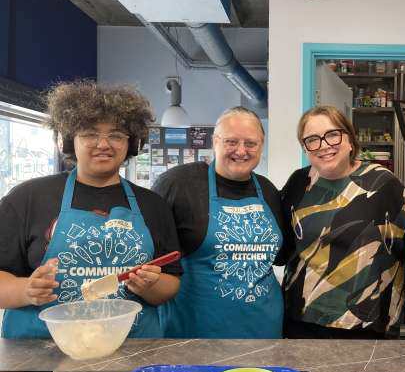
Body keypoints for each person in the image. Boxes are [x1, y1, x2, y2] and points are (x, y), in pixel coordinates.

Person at [0, 81, 181, 339]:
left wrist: (150, 286)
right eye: (90, 133)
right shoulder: (27, 197)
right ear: (69, 141)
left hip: (129, 352)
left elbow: (171, 283)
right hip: (42, 354)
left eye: (116, 135)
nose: (103, 144)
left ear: (132, 144)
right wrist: (24, 289)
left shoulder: (152, 205)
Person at [153, 107, 287, 338]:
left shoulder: (268, 190)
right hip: (195, 335)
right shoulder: (178, 184)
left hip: (265, 329)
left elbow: (282, 255)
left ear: (262, 145)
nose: (241, 151)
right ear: (215, 141)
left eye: (251, 143)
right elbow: (153, 258)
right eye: (231, 141)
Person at [281, 105, 405, 339]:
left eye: (332, 134)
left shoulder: (381, 183)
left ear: (350, 140)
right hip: (303, 319)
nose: (323, 145)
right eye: (312, 139)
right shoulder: (299, 182)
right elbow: (284, 243)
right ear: (305, 148)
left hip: (365, 322)